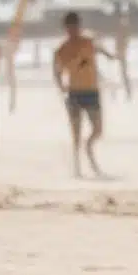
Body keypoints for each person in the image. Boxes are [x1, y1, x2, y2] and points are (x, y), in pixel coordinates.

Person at [53, 11, 117, 177]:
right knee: (76, 132)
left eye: (76, 27)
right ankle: (76, 167)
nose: (73, 30)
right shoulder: (62, 49)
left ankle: (88, 148)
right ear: (66, 28)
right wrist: (60, 85)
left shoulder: (88, 41)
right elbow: (57, 71)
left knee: (98, 130)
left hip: (91, 91)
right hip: (74, 93)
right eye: (70, 27)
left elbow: (100, 48)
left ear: (79, 26)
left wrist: (110, 55)